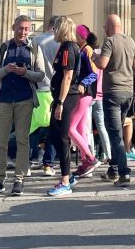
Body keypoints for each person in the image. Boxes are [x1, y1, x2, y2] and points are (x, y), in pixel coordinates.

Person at [0, 15, 46, 196]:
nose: (23, 32)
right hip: (4, 99)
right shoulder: (3, 48)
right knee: (0, 141)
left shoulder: (34, 48)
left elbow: (41, 75)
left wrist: (25, 72)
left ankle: (19, 179)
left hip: (24, 99)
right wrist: (7, 70)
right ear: (13, 28)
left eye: (26, 29)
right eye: (20, 28)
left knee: (22, 140)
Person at [93, 13, 135, 188]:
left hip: (113, 92)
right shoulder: (131, 41)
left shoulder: (110, 41)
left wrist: (94, 58)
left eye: (105, 26)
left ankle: (124, 173)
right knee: (116, 130)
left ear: (110, 27)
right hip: (128, 91)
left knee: (115, 135)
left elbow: (102, 64)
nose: (103, 29)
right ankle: (113, 169)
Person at [46, 16, 81, 196]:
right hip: (65, 96)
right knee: (54, 134)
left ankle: (65, 181)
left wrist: (59, 102)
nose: (53, 31)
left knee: (61, 137)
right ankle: (67, 175)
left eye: (55, 28)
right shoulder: (68, 46)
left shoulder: (68, 48)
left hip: (66, 98)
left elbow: (67, 77)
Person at [69, 24, 100, 178]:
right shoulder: (82, 49)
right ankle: (85, 163)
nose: (73, 37)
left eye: (75, 34)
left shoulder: (87, 50)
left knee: (71, 128)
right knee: (81, 129)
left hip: (85, 93)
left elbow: (94, 73)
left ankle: (90, 158)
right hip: (82, 93)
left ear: (81, 36)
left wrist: (82, 83)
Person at [32, 15, 60, 176]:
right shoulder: (60, 42)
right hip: (53, 90)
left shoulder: (36, 41)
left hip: (37, 88)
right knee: (53, 128)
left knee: (32, 127)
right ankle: (48, 164)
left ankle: (29, 160)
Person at [87, 31, 111, 164]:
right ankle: (108, 154)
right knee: (102, 127)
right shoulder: (103, 53)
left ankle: (92, 155)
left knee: (88, 128)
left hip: (90, 94)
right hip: (101, 94)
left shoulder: (88, 53)